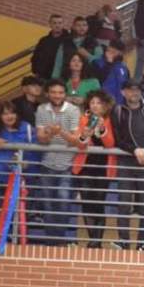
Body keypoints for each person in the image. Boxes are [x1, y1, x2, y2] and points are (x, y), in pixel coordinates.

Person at [35, 79, 81, 245]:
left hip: (67, 164)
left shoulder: (73, 110)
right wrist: (50, 133)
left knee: (63, 201)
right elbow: (41, 139)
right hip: (47, 163)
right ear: (47, 93)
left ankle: (59, 239)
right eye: (53, 92)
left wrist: (59, 131)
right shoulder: (41, 109)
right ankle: (51, 240)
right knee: (47, 203)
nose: (57, 95)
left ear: (65, 94)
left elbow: (76, 140)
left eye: (60, 92)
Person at [71, 91, 117, 248]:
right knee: (87, 203)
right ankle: (93, 240)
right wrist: (84, 136)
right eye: (92, 103)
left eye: (99, 103)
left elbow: (110, 144)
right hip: (85, 167)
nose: (95, 106)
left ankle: (97, 241)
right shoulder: (83, 119)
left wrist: (102, 129)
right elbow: (79, 144)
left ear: (105, 105)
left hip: (103, 167)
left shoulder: (111, 120)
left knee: (98, 203)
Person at [32, 14, 69, 80]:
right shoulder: (44, 40)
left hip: (60, 77)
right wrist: (36, 70)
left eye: (60, 23)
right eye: (54, 23)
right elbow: (36, 56)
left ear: (63, 24)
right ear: (50, 24)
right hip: (42, 76)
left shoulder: (68, 40)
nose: (57, 25)